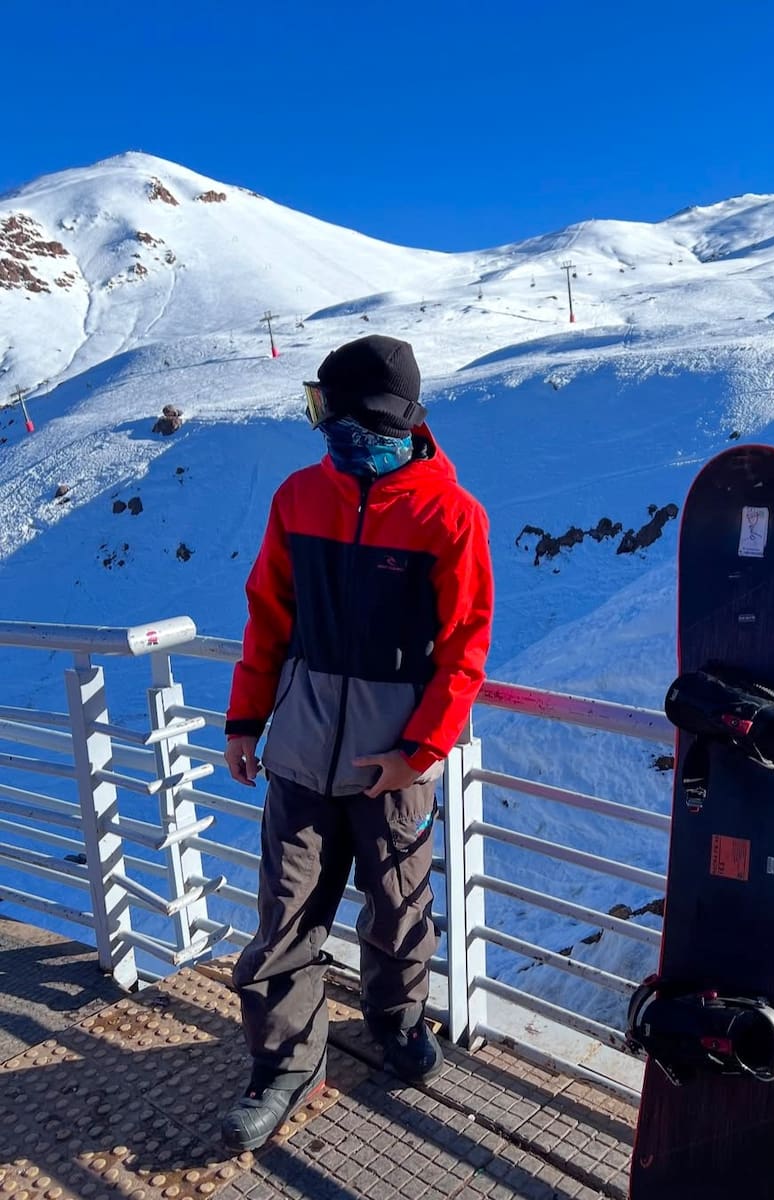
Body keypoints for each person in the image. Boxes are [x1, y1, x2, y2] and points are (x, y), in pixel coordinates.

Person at [219, 334, 494, 1153]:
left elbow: (465, 648)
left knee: (401, 908)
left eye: (335, 418)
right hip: (301, 753)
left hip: (394, 765)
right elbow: (267, 615)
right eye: (323, 417)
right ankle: (286, 1065)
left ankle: (397, 1021)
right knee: (284, 916)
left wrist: (420, 751)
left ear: (392, 420)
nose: (331, 437)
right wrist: (245, 722)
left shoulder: (452, 516)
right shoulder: (300, 497)